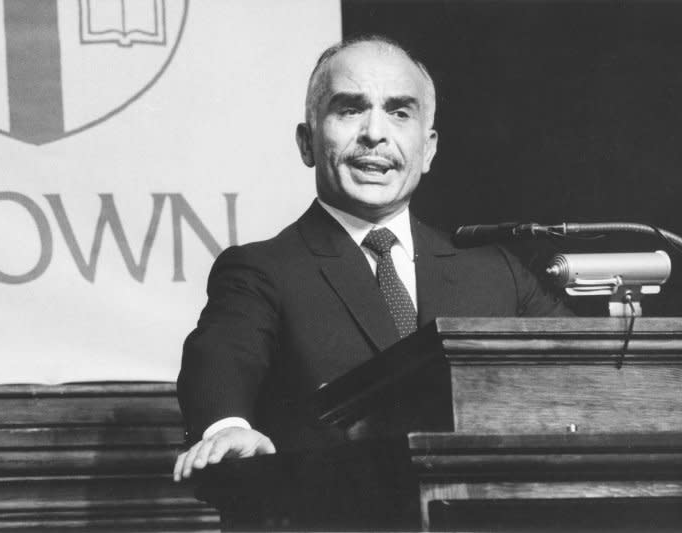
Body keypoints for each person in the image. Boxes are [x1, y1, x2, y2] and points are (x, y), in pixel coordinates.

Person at [173, 36, 570, 482]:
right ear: (306, 143)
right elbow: (220, 357)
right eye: (350, 109)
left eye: (400, 112)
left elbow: (583, 374)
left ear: (429, 149)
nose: (375, 134)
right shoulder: (260, 271)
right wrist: (227, 428)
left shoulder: (497, 273)